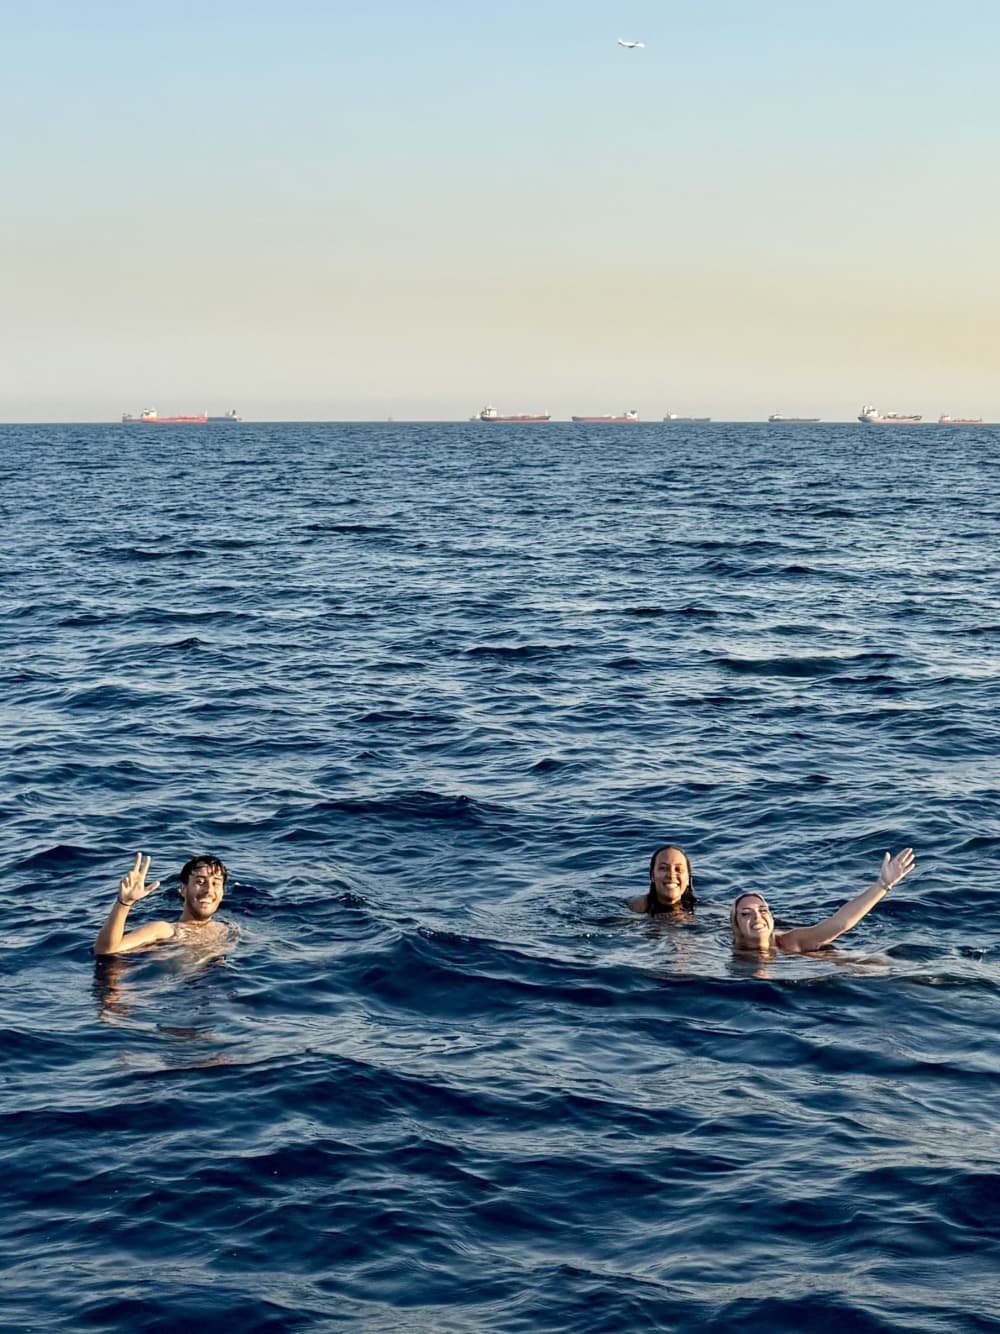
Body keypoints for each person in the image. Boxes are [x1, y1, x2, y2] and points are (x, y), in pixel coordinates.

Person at [730, 847, 915, 954]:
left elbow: (840, 923)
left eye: (763, 910)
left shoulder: (789, 941)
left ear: (771, 918)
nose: (757, 917)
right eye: (746, 913)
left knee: (877, 965)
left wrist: (883, 884)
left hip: (825, 968)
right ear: (735, 925)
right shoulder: (728, 955)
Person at [93, 852, 229, 956]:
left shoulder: (227, 931)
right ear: (183, 889)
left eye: (216, 883)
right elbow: (106, 950)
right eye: (200, 882)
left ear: (222, 892)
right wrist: (124, 903)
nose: (209, 890)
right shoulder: (165, 930)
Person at [628, 845, 695, 914]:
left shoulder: (699, 910)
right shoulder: (636, 907)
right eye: (663, 868)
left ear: (688, 879)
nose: (671, 875)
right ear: (652, 876)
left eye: (678, 869)